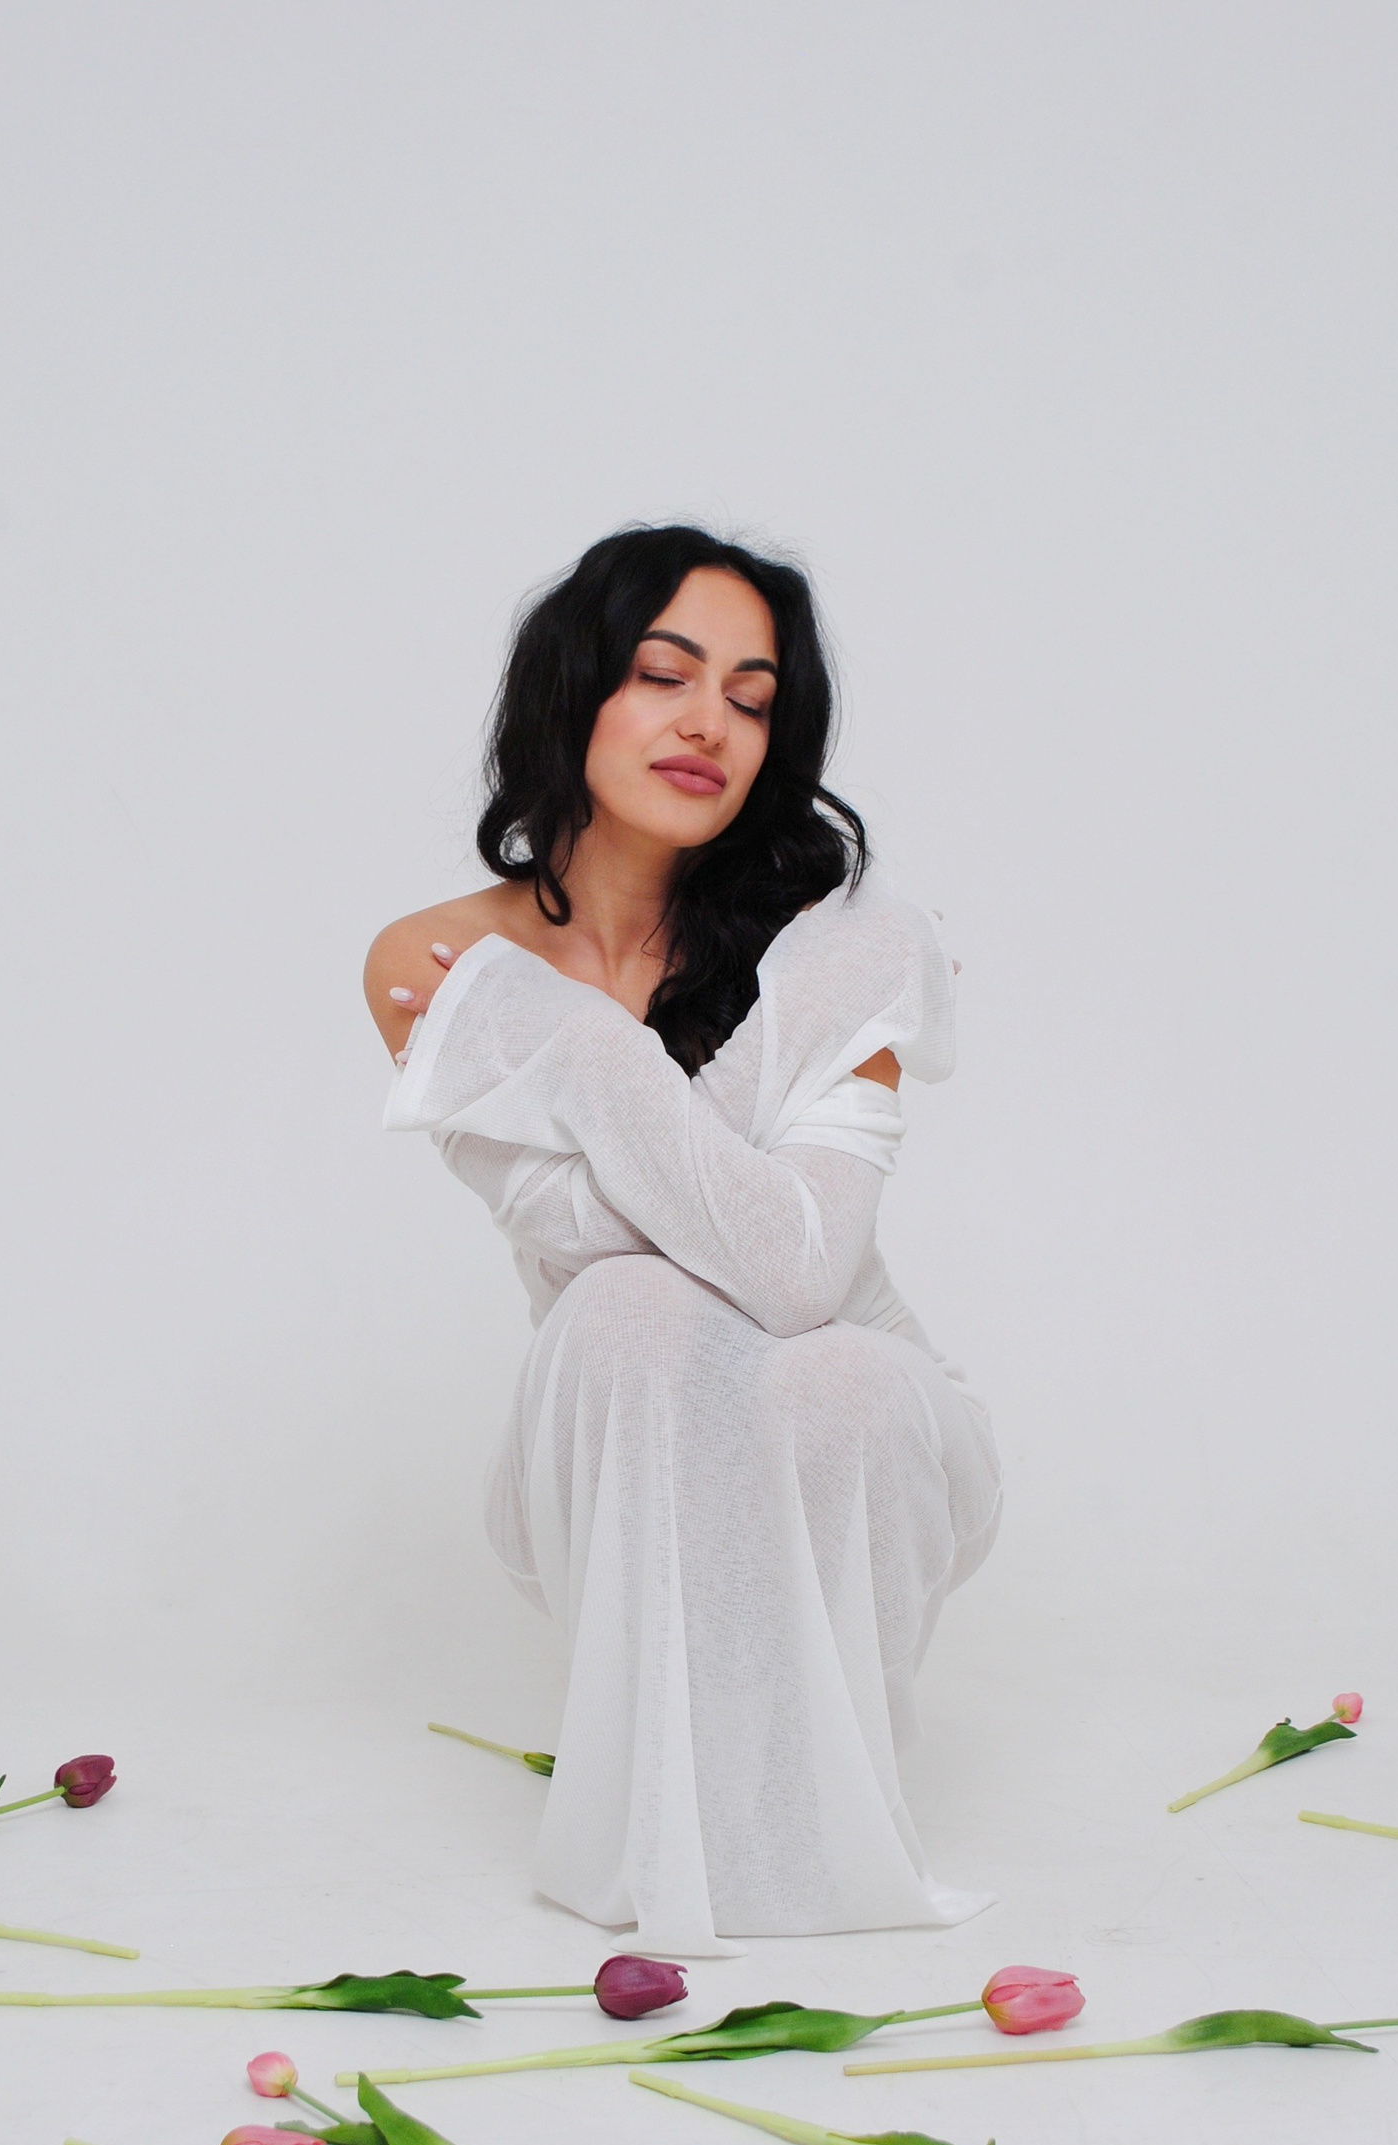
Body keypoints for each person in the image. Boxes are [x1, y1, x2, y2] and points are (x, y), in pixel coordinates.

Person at [365, 524, 1000, 1955]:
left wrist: (575, 1054)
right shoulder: (433, 956)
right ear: (576, 689)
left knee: (825, 1369)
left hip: (869, 1435)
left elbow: (799, 1276)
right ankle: (696, 1823)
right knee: (631, 1309)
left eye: (752, 699)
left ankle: (803, 1827)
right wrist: (637, 1069)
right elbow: (584, 1243)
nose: (710, 722)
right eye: (664, 675)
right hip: (610, 1436)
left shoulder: (843, 946)